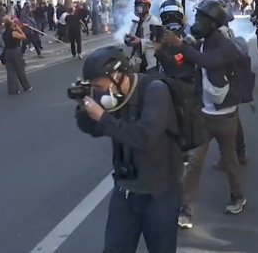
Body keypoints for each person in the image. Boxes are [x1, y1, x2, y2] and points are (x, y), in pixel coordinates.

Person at [75, 46, 182, 253]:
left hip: (159, 193)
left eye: (98, 85)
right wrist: (83, 108)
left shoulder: (155, 90)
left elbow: (144, 137)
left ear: (117, 75)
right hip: (126, 189)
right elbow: (94, 129)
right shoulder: (114, 97)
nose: (98, 91)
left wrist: (103, 117)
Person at [163, 0, 246, 228]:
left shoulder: (226, 46)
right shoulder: (198, 43)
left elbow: (209, 62)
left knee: (230, 161)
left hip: (226, 116)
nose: (197, 23)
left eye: (201, 19)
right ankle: (186, 210)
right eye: (197, 17)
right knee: (194, 164)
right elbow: (179, 64)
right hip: (204, 115)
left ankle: (238, 196)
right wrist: (163, 51)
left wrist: (181, 46)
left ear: (213, 24)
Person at [127, 0, 161, 73]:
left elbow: (158, 42)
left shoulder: (154, 21)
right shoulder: (135, 22)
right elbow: (132, 37)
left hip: (151, 62)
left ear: (147, 8)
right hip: (138, 61)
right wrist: (128, 40)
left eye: (140, 6)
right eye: (136, 6)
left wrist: (141, 42)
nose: (138, 8)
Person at [2, 18, 32, 95]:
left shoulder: (4, 33)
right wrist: (20, 29)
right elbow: (23, 37)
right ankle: (26, 86)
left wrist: (20, 27)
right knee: (20, 69)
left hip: (7, 52)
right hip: (15, 51)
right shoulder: (13, 33)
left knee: (10, 71)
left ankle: (13, 89)